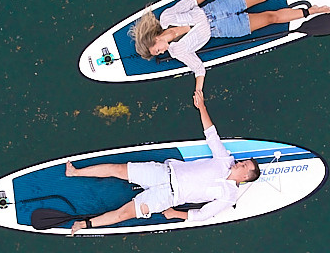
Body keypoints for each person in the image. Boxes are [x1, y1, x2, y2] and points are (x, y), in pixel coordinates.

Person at [62, 90, 259, 230]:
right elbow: (211, 134)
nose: (240, 163)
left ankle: (84, 224)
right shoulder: (225, 159)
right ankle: (76, 172)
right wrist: (202, 107)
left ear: (244, 176)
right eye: (243, 162)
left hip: (167, 198)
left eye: (244, 166)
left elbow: (203, 215)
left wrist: (176, 214)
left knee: (124, 214)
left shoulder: (229, 196)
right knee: (117, 169)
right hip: (163, 173)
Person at [132, 0, 330, 97]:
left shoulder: (167, 17)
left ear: (156, 38)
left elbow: (192, 2)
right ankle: (310, 11)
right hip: (226, 29)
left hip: (217, 7)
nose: (161, 52)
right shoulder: (177, 52)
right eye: (158, 54)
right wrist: (198, 90)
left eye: (157, 50)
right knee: (271, 17)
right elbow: (198, 68)